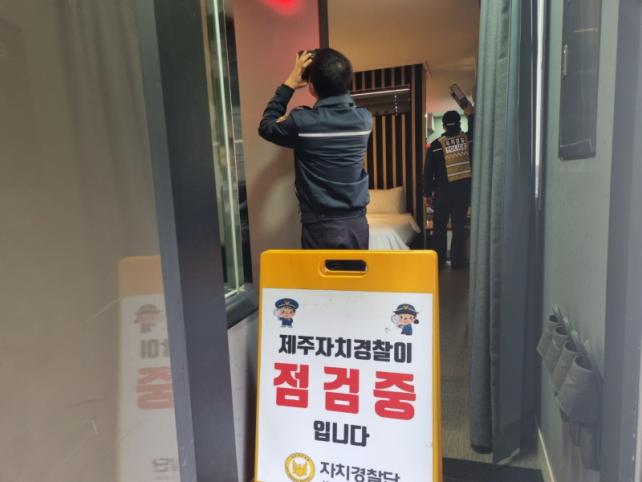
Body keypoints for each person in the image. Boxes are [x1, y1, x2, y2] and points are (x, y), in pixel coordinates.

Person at [258, 48, 372, 249]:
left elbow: (266, 126)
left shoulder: (302, 122)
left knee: (318, 272)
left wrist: (290, 83)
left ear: (311, 87)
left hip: (320, 227)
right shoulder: (364, 119)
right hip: (357, 224)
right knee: (355, 271)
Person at [423, 106, 475, 268]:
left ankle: (438, 261)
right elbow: (476, 130)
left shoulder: (435, 146)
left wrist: (427, 194)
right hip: (463, 191)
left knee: (439, 228)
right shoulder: (468, 140)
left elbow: (428, 172)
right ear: (459, 123)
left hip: (443, 192)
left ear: (444, 126)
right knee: (459, 227)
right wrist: (471, 115)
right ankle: (457, 261)